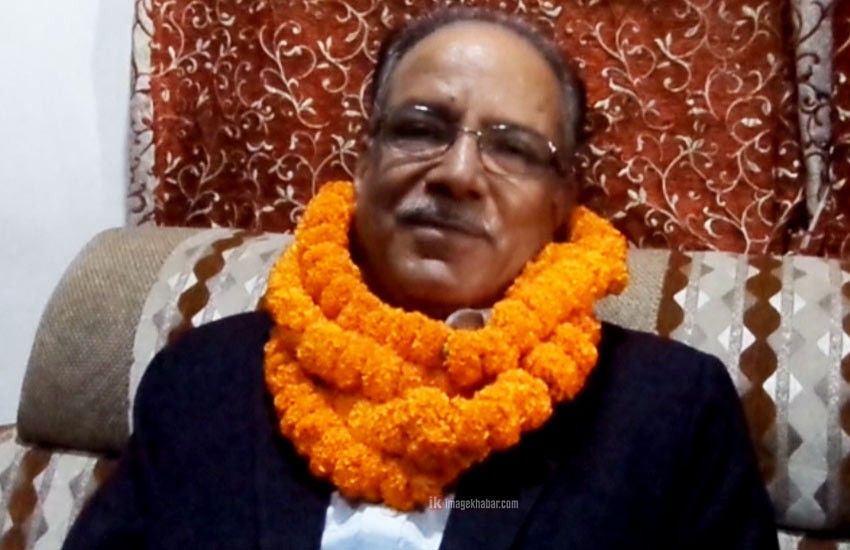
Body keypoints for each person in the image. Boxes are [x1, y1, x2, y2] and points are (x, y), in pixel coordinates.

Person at [64, 7, 778, 549]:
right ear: (364, 162)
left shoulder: (669, 413)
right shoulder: (200, 384)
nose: (457, 173)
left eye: (512, 148)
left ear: (563, 202)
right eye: (419, 128)